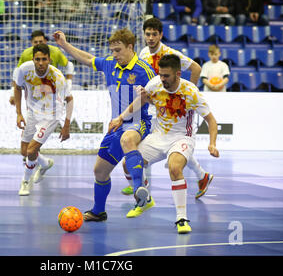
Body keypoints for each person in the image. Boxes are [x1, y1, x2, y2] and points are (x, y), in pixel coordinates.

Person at [109, 54, 220, 233]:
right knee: (128, 165)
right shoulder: (155, 83)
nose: (162, 79)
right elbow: (142, 100)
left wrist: (212, 144)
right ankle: (144, 198)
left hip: (182, 137)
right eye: (160, 74)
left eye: (166, 76)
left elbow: (211, 120)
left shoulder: (191, 92)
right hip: (158, 136)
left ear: (177, 74)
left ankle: (182, 219)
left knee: (175, 168)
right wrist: (121, 118)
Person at [54, 28, 156, 221]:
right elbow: (87, 58)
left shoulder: (144, 70)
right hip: (116, 125)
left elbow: (151, 98)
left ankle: (141, 195)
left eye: (118, 50)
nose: (114, 55)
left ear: (130, 47)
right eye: (112, 51)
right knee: (99, 171)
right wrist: (64, 45)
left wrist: (131, 110)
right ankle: (98, 211)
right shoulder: (110, 64)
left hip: (138, 122)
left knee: (128, 139)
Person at [122, 17, 213, 198]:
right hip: (157, 106)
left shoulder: (171, 53)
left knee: (175, 141)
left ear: (160, 35)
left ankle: (141, 183)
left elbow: (196, 68)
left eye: (154, 34)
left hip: (177, 108)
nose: (150, 38)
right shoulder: (143, 53)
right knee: (167, 142)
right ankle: (201, 176)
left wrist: (185, 96)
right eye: (147, 34)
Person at [13, 43, 73, 196]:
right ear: (33, 59)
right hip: (33, 113)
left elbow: (69, 99)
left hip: (51, 116)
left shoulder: (58, 77)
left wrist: (66, 125)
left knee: (32, 150)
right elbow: (17, 88)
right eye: (37, 59)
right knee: (24, 151)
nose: (40, 63)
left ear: (50, 60)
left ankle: (25, 182)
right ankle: (45, 164)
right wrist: (19, 113)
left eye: (44, 59)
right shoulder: (24, 69)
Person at [10, 30, 74, 103]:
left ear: (45, 41)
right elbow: (17, 71)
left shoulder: (55, 51)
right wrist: (13, 93)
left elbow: (69, 65)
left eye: (41, 42)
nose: (38, 44)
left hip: (52, 84)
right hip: (34, 86)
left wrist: (68, 86)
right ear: (31, 43)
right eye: (35, 42)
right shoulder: (26, 54)